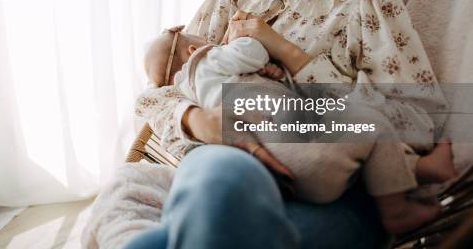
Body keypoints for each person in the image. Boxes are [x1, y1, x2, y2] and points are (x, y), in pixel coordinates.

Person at [123, 0, 453, 248]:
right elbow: (155, 93)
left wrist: (291, 55)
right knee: (222, 188)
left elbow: (417, 121)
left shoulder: (365, 2)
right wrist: (198, 121)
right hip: (227, 164)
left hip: (333, 187)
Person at [142, 22, 455, 234]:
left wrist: (275, 75)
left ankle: (419, 168)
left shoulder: (194, 88)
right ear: (189, 50)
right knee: (367, 122)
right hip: (300, 156)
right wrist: (248, 41)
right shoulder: (210, 56)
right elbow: (251, 53)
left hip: (272, 170)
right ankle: (397, 207)